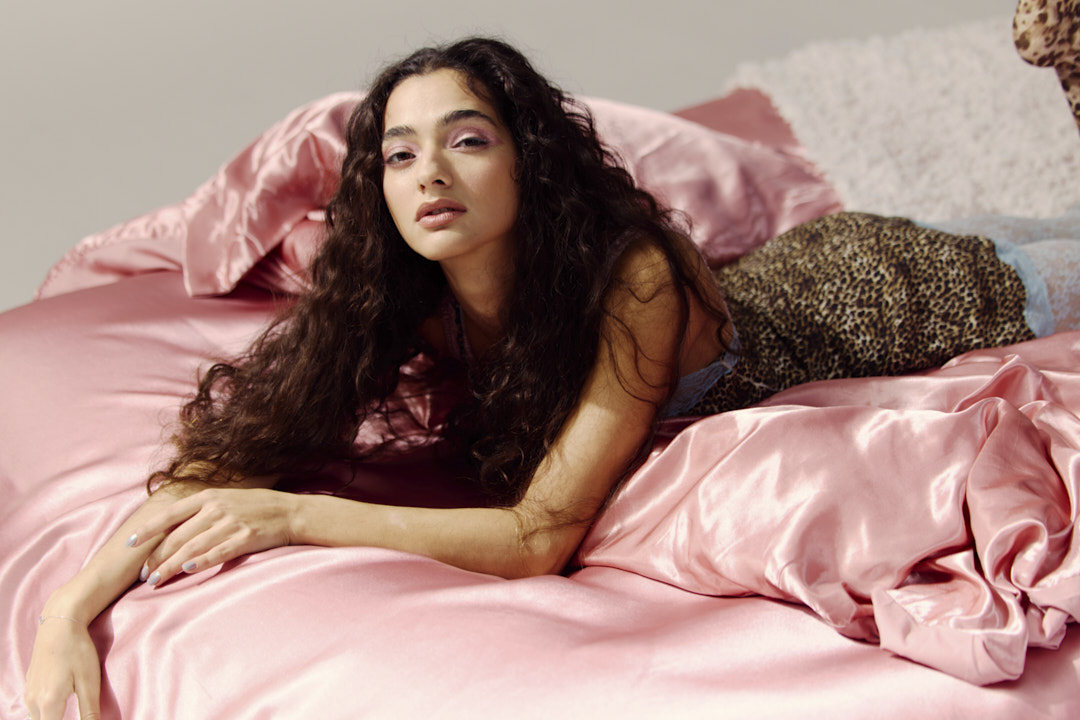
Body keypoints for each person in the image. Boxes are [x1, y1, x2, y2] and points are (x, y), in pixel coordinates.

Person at [21, 35, 1080, 720]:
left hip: (909, 292)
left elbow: (539, 538)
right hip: (791, 273)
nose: (431, 174)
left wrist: (294, 518)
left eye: (466, 140)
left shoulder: (632, 276)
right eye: (400, 155)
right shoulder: (402, 296)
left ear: (525, 158)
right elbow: (221, 461)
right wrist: (70, 610)